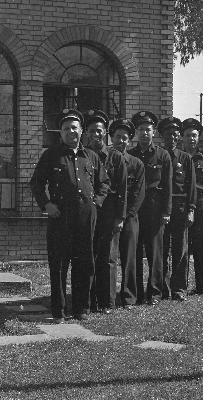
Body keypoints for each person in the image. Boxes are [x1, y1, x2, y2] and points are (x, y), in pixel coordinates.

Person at [30, 108, 110, 323]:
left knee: (84, 262)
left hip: (85, 216)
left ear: (81, 131)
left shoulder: (91, 156)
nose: (70, 132)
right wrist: (47, 204)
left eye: (74, 128)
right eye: (66, 128)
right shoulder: (51, 155)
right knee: (59, 264)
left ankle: (80, 308)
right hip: (60, 216)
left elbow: (104, 183)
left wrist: (96, 202)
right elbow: (36, 183)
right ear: (61, 133)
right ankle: (59, 312)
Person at [85, 110, 128, 314]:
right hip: (88, 212)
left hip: (109, 212)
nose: (96, 135)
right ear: (87, 133)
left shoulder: (115, 157)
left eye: (99, 131)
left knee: (108, 258)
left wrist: (120, 217)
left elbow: (122, 189)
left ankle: (107, 302)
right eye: (92, 131)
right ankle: (89, 301)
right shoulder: (82, 155)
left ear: (105, 134)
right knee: (88, 255)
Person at [127, 111, 172, 306]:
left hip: (155, 208)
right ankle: (135, 293)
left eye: (148, 130)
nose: (145, 133)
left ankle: (154, 293)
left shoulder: (162, 155)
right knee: (135, 252)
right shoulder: (130, 155)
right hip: (136, 209)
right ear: (136, 133)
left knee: (155, 253)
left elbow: (168, 186)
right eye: (141, 130)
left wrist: (166, 212)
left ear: (154, 132)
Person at [158, 117, 196, 302]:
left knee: (180, 250)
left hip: (181, 208)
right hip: (163, 209)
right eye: (167, 134)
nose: (171, 137)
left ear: (179, 136)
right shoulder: (158, 155)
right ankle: (163, 288)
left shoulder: (185, 158)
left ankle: (179, 288)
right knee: (162, 249)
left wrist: (191, 209)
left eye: (174, 134)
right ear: (162, 136)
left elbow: (191, 186)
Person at [109, 118, 145, 309]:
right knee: (110, 257)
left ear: (129, 141)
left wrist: (125, 216)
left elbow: (139, 193)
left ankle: (129, 297)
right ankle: (109, 298)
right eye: (117, 137)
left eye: (124, 138)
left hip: (130, 218)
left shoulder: (136, 164)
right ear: (111, 138)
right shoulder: (106, 159)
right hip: (111, 217)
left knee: (129, 258)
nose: (120, 141)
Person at [181, 118, 203, 296]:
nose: (191, 139)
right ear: (182, 138)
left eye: (194, 135)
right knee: (183, 250)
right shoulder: (178, 159)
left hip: (202, 210)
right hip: (183, 209)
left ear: (198, 138)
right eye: (187, 135)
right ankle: (182, 286)